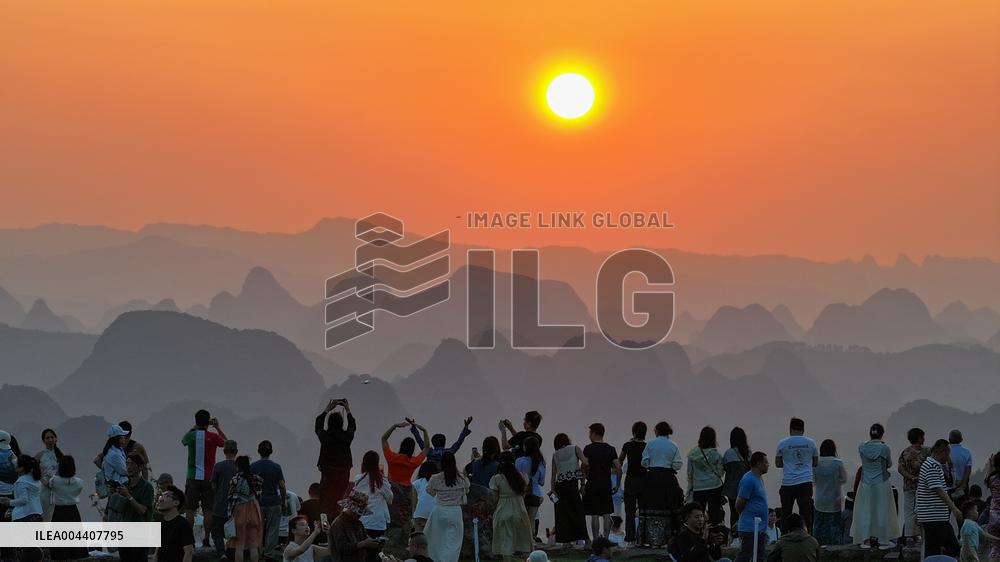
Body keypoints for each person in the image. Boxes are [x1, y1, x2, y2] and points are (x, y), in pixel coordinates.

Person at [181, 410, 227, 543]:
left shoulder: (191, 436)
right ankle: (207, 537)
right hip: (209, 478)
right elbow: (226, 443)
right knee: (208, 509)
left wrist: (195, 427)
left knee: (190, 509)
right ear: (208, 422)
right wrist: (217, 427)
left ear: (196, 421)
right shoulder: (213, 437)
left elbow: (183, 440)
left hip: (192, 477)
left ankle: (189, 538)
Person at [850, 423, 899, 548]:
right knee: (883, 510)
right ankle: (883, 540)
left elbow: (863, 462)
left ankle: (866, 540)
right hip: (882, 483)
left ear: (870, 434)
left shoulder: (862, 447)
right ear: (882, 434)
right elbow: (888, 464)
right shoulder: (885, 448)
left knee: (866, 511)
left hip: (865, 483)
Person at [639, 421, 684, 547]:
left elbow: (644, 461)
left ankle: (651, 539)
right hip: (669, 479)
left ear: (656, 431)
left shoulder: (651, 443)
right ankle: (669, 539)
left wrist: (651, 466)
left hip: (652, 478)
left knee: (652, 508)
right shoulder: (673, 445)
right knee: (670, 508)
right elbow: (678, 463)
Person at [917, 439, 963, 557]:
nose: (948, 458)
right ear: (941, 452)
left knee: (953, 547)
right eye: (947, 454)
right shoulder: (931, 466)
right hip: (933, 517)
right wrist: (954, 508)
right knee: (933, 551)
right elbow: (938, 490)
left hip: (938, 517)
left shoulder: (933, 465)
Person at [424, 452, 471, 562]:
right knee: (453, 543)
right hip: (455, 511)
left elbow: (429, 491)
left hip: (439, 510)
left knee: (436, 541)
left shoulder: (435, 478)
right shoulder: (462, 479)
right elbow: (467, 490)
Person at [383, 421, 429, 531]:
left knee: (389, 519)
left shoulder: (392, 458)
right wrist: (424, 431)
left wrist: (394, 426)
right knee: (404, 521)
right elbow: (427, 447)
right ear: (412, 449)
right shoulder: (413, 462)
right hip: (406, 492)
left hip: (391, 491)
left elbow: (384, 439)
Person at [775, 418, 818, 534]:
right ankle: (807, 536)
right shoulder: (811, 443)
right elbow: (815, 462)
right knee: (806, 513)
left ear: (790, 429)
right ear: (803, 429)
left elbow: (778, 464)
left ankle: (784, 537)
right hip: (805, 482)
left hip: (788, 483)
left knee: (786, 513)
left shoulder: (782, 443)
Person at [316, 398, 356, 520]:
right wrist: (348, 410)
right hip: (343, 476)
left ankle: (324, 528)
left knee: (326, 504)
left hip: (327, 476)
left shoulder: (325, 436)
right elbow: (352, 426)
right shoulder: (346, 437)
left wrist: (327, 409)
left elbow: (318, 425)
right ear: (341, 423)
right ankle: (338, 525)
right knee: (340, 501)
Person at [582, 423, 622, 541]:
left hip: (592, 483)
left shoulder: (588, 449)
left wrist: (583, 483)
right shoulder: (610, 449)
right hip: (606, 484)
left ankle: (595, 540)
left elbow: (584, 466)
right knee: (606, 513)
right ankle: (605, 539)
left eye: (590, 433)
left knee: (594, 513)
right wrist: (618, 484)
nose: (589, 436)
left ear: (594, 433)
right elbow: (618, 468)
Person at [490, 454, 534, 560]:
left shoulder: (497, 479)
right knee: (524, 540)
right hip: (520, 509)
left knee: (506, 541)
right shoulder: (522, 476)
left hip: (503, 509)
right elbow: (524, 494)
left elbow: (494, 498)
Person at [549, 432, 589, 545]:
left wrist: (553, 490)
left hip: (560, 486)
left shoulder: (555, 454)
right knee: (578, 512)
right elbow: (585, 462)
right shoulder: (575, 448)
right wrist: (583, 480)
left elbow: (553, 475)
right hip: (572, 485)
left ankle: (566, 542)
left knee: (563, 515)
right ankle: (586, 539)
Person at [47, 456, 88, 561]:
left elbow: (49, 483)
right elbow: (78, 491)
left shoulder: (55, 480)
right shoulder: (79, 482)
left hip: (59, 511)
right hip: (73, 511)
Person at [251, 440, 286, 558]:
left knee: (258, 527)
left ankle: (257, 550)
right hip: (273, 501)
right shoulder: (276, 467)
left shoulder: (253, 467)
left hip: (258, 502)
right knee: (273, 528)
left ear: (258, 451)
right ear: (271, 452)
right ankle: (269, 552)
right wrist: (283, 500)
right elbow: (282, 485)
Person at [118, 455, 155, 562]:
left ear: (140, 467)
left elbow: (142, 510)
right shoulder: (125, 485)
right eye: (127, 464)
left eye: (132, 464)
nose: (129, 467)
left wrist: (128, 496)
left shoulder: (146, 487)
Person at [227, 455, 264, 562]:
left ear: (237, 466)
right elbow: (259, 494)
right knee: (253, 544)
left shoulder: (235, 479)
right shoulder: (257, 479)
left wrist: (230, 515)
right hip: (254, 509)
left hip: (239, 510)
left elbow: (230, 498)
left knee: (239, 544)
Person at [735, 452, 770, 562]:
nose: (768, 464)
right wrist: (746, 517)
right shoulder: (748, 479)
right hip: (750, 527)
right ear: (759, 464)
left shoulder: (758, 478)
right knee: (745, 556)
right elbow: (739, 503)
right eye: (766, 462)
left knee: (759, 557)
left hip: (759, 527)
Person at [329, 490, 382, 562]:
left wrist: (374, 543)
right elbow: (341, 548)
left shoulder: (358, 523)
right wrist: (362, 544)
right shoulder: (338, 524)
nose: (360, 515)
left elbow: (365, 540)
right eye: (358, 513)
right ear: (351, 508)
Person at [688, 426, 725, 526]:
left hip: (698, 487)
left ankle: (699, 535)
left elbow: (690, 473)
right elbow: (721, 472)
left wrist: (690, 488)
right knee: (714, 515)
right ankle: (713, 536)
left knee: (698, 515)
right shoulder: (715, 454)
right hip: (714, 486)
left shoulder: (692, 453)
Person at [813, 439, 847, 546]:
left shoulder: (816, 463)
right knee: (834, 526)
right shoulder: (838, 463)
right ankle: (834, 548)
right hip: (834, 500)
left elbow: (813, 481)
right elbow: (844, 479)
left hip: (819, 500)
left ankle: (818, 546)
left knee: (819, 525)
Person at [897, 427, 928, 544]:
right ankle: (919, 535)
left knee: (909, 511)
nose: (924, 439)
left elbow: (900, 468)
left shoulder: (905, 452)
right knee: (921, 510)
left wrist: (910, 477)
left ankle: (909, 536)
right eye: (923, 437)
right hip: (923, 487)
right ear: (919, 438)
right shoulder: (926, 451)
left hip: (908, 486)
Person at [619, 422, 647, 545]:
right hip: (644, 480)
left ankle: (630, 539)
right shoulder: (648, 446)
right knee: (644, 511)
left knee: (629, 511)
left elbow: (619, 460)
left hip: (630, 480)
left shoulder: (627, 445)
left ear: (633, 432)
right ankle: (643, 538)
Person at [211, 440, 240, 558]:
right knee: (233, 532)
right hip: (236, 506)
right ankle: (231, 553)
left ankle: (221, 552)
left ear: (224, 451)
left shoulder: (218, 466)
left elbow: (213, 485)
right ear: (236, 452)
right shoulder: (240, 467)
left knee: (217, 532)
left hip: (220, 504)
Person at [354, 450, 393, 538]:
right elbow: (390, 499)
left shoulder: (358, 479)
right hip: (378, 522)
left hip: (362, 521)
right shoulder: (381, 480)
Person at [410, 416, 474, 467]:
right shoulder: (449, 452)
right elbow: (459, 441)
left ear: (433, 443)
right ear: (444, 442)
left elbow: (419, 440)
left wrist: (413, 427)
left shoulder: (429, 452)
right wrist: (465, 427)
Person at [516, 436, 546, 538]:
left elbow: (516, 478)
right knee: (531, 520)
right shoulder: (541, 462)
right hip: (536, 494)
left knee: (521, 520)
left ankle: (521, 543)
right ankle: (531, 543)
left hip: (522, 493)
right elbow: (542, 482)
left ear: (525, 447)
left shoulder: (519, 461)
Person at [157, 485, 196, 562]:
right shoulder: (162, 524)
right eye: (161, 496)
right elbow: (157, 552)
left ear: (176, 502)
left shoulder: (183, 524)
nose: (161, 499)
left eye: (166, 496)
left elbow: (189, 552)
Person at [723, 428, 752, 530]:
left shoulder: (728, 453)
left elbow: (725, 469)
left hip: (733, 490)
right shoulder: (749, 453)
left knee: (734, 514)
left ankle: (735, 537)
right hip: (746, 489)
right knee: (746, 513)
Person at [34, 428, 63, 521]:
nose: (50, 440)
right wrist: (42, 479)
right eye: (47, 438)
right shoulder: (40, 455)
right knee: (45, 516)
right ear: (43, 440)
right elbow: (33, 470)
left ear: (56, 439)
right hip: (44, 490)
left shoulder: (61, 455)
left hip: (59, 490)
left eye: (52, 437)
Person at [412, 462, 440, 533]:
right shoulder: (439, 483)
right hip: (435, 514)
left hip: (420, 514)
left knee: (419, 538)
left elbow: (414, 503)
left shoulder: (417, 483)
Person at [983, 451, 1000, 562]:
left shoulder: (992, 478)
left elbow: (986, 480)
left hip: (994, 517)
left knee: (994, 546)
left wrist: (990, 465)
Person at [951, 430, 974, 504]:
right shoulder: (966, 452)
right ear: (961, 440)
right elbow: (968, 469)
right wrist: (963, 483)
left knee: (946, 510)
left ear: (949, 439)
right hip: (962, 486)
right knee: (964, 509)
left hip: (948, 486)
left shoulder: (946, 451)